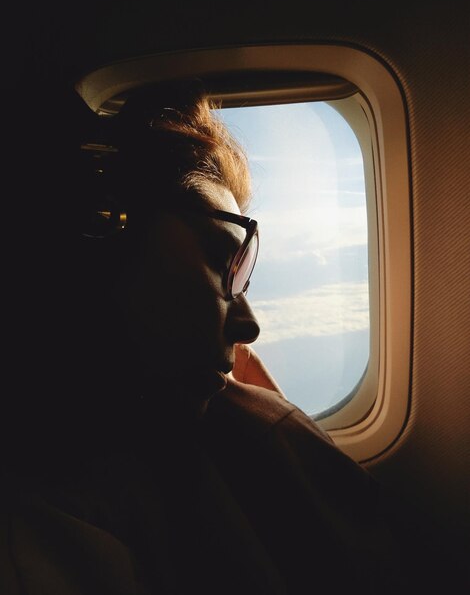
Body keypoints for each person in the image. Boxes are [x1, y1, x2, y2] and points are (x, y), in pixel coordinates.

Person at [0, 83, 417, 595]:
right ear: (101, 222)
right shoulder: (42, 526)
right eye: (223, 262)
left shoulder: (244, 439)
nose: (250, 327)